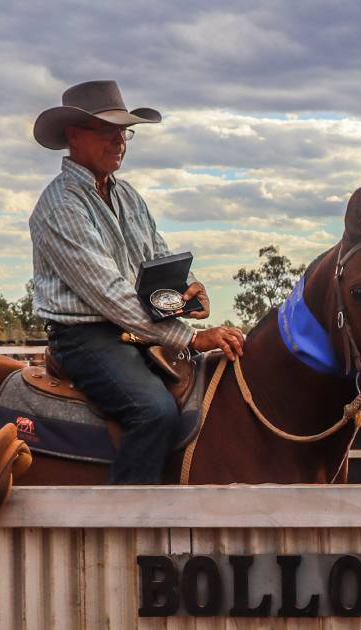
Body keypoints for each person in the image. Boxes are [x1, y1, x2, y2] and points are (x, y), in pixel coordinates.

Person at [29, 80, 244, 483]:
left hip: (132, 331)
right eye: (106, 130)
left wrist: (188, 289)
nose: (119, 141)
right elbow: (109, 294)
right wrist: (191, 337)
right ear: (74, 135)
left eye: (123, 131)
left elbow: (158, 256)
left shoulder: (126, 195)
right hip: (86, 336)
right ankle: (122, 527)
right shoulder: (59, 206)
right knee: (153, 412)